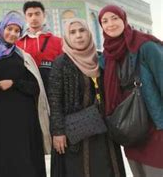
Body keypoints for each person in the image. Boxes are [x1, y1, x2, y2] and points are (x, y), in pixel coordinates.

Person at [0, 11, 51, 177]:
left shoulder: (24, 57)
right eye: (10, 29)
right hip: (0, 119)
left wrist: (14, 83)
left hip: (24, 120)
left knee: (26, 161)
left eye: (17, 31)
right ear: (2, 28)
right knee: (4, 161)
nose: (13, 33)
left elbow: (35, 88)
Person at [49, 18, 126, 177]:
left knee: (107, 168)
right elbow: (55, 100)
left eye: (82, 30)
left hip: (104, 131)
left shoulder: (101, 59)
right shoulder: (61, 63)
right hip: (76, 131)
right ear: (67, 37)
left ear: (89, 33)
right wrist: (58, 132)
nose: (78, 35)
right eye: (73, 32)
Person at [99, 5, 163, 176]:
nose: (110, 24)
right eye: (104, 21)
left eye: (114, 18)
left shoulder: (145, 46)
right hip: (128, 124)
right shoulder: (107, 56)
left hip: (154, 124)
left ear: (124, 20)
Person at [16, 1, 63, 92]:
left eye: (37, 14)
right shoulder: (18, 44)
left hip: (52, 91)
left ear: (44, 15)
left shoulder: (58, 42)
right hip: (26, 93)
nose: (34, 18)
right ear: (25, 18)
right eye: (30, 15)